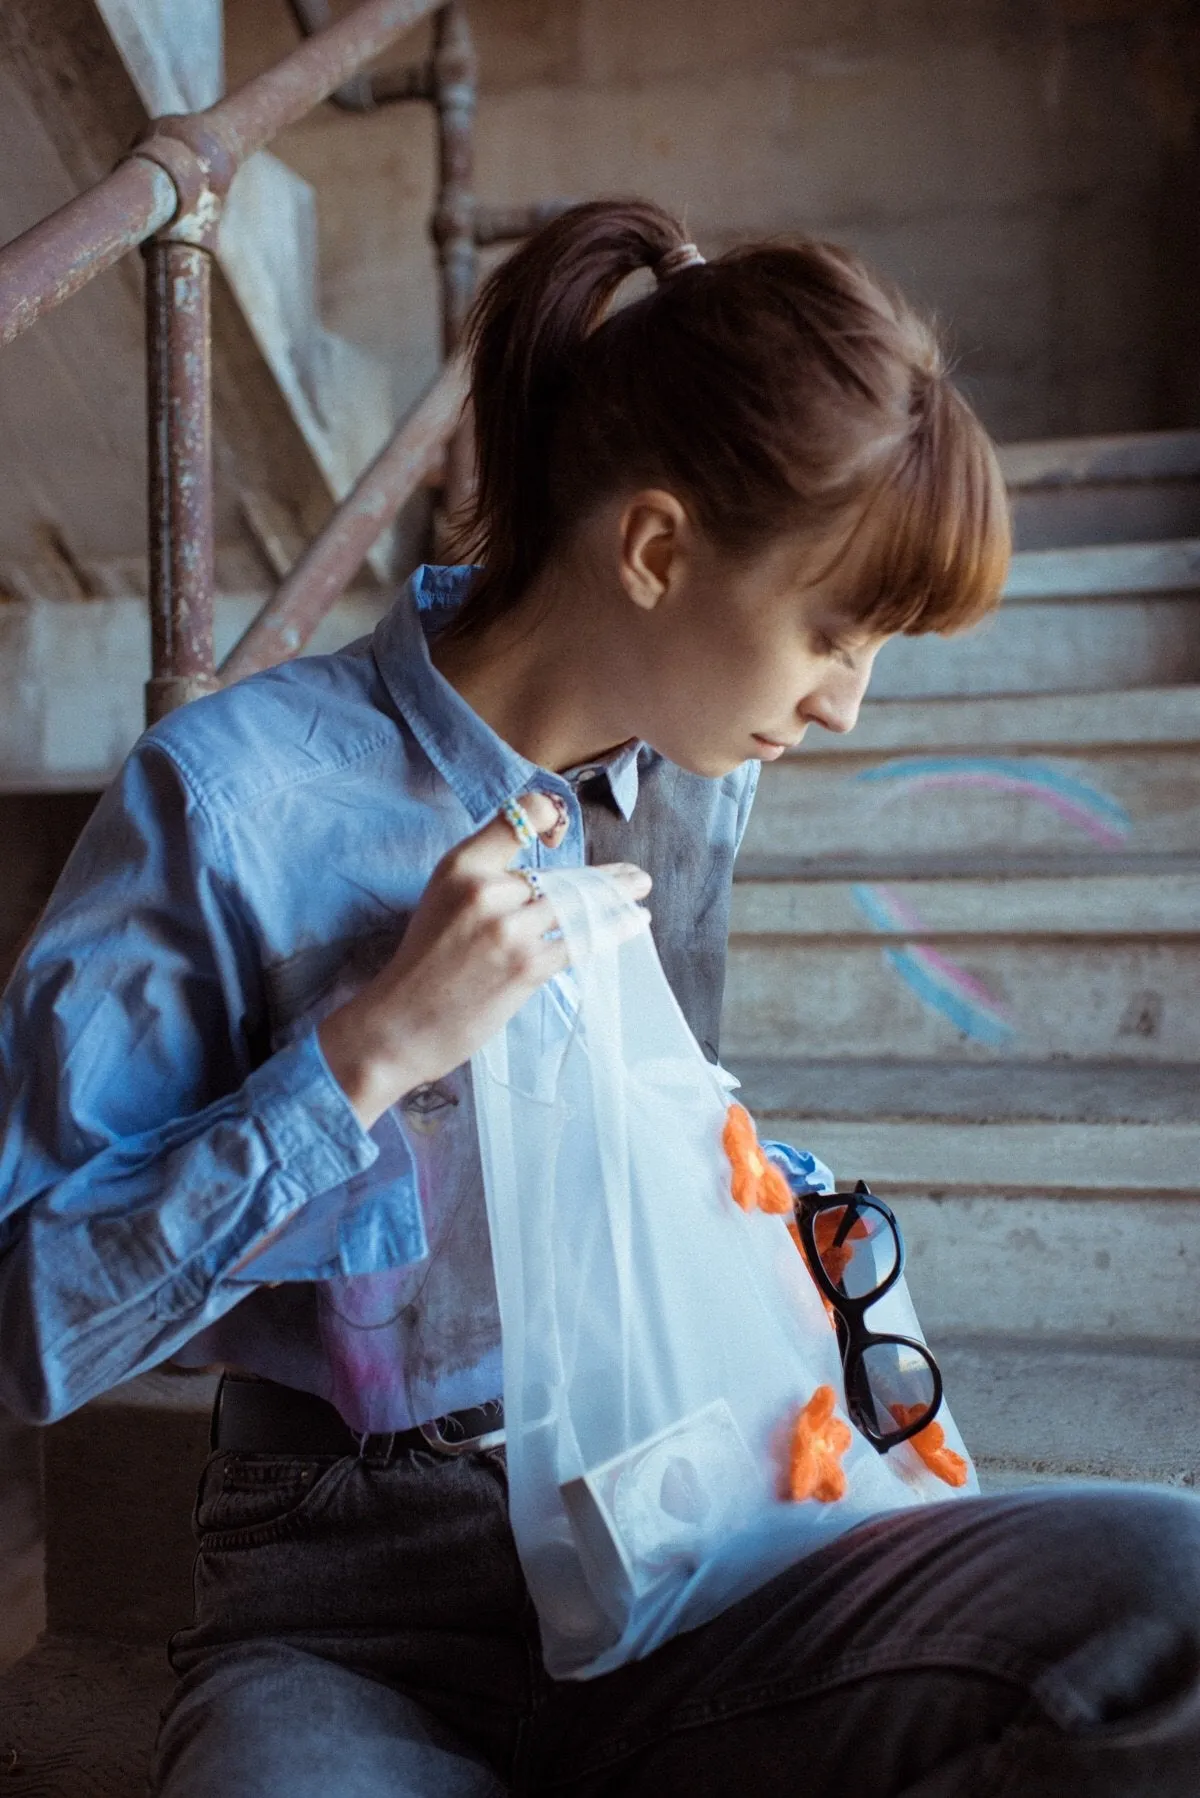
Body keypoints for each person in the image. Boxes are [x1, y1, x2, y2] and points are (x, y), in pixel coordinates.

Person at [1, 199, 1197, 1797]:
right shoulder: (232, 802)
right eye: (835, 631)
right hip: (356, 1599)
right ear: (654, 549)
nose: (847, 703)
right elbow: (23, 1324)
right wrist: (364, 1058)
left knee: (1169, 1598)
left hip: (693, 1527)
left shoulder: (689, 790)